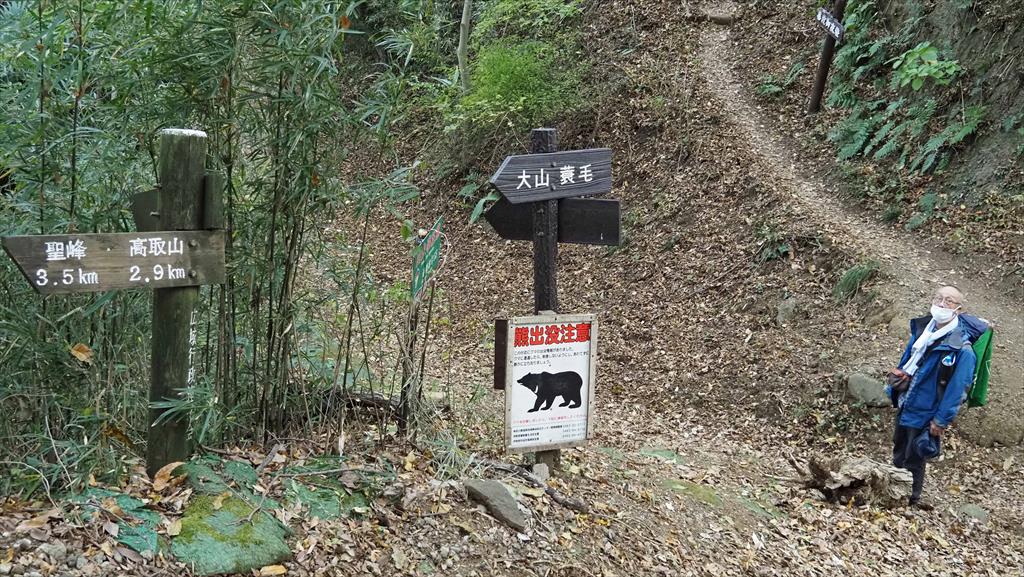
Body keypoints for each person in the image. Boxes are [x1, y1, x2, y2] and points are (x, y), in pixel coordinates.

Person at [885, 285, 977, 508]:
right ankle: (890, 491)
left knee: (914, 456)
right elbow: (908, 359)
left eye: (949, 301)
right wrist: (895, 386)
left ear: (958, 309)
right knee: (899, 446)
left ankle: (910, 499)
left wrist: (941, 420)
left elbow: (958, 389)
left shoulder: (962, 350)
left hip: (928, 410)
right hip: (908, 400)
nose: (942, 304)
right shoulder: (923, 332)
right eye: (938, 298)